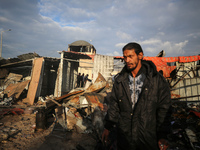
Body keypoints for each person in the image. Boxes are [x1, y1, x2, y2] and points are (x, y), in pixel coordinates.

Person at [102, 42, 171, 150]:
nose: (127, 60)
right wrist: (108, 127)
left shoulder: (156, 80)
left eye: (130, 56)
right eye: (125, 57)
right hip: (125, 138)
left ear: (140, 55)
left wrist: (163, 135)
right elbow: (114, 106)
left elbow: (164, 108)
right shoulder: (120, 81)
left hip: (148, 137)